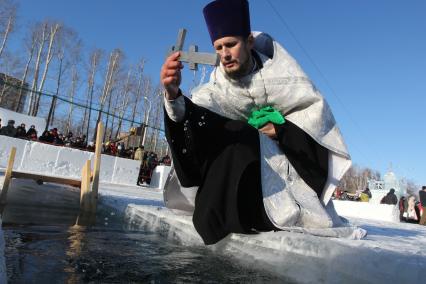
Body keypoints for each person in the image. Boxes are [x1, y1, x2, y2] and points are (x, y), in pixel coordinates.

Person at [160, 0, 352, 245]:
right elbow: (190, 118)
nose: (225, 54)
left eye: (231, 44)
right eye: (218, 47)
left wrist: (281, 130)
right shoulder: (215, 91)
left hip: (286, 183)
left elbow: (316, 122)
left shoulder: (284, 77)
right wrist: (173, 94)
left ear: (249, 41)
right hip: (238, 187)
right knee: (228, 129)